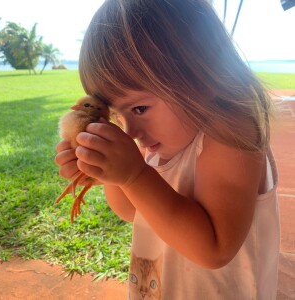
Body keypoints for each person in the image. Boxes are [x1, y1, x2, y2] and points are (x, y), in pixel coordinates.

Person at [55, 0, 280, 299]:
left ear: (202, 73)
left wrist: (134, 175)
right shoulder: (165, 138)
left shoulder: (231, 131)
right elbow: (131, 210)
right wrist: (111, 174)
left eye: (139, 108)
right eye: (118, 116)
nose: (131, 131)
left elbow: (214, 249)